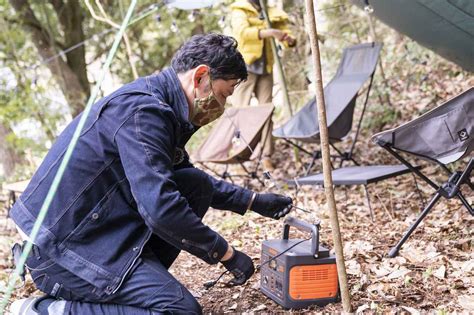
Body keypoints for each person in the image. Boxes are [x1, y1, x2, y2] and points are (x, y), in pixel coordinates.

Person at [9, 33, 293, 315]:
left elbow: (184, 178)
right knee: (179, 311)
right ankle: (51, 310)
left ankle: (140, 285)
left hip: (92, 231)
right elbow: (161, 208)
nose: (222, 105)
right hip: (60, 254)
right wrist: (224, 253)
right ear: (201, 77)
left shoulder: (162, 105)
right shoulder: (144, 112)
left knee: (194, 185)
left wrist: (253, 201)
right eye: (223, 93)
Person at [229, 0, 296, 171]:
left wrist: (288, 39)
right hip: (245, 67)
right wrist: (271, 32)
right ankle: (239, 154)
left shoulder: (269, 9)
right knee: (241, 111)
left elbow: (285, 32)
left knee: (266, 111)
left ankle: (267, 156)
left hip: (266, 68)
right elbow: (242, 33)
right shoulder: (239, 9)